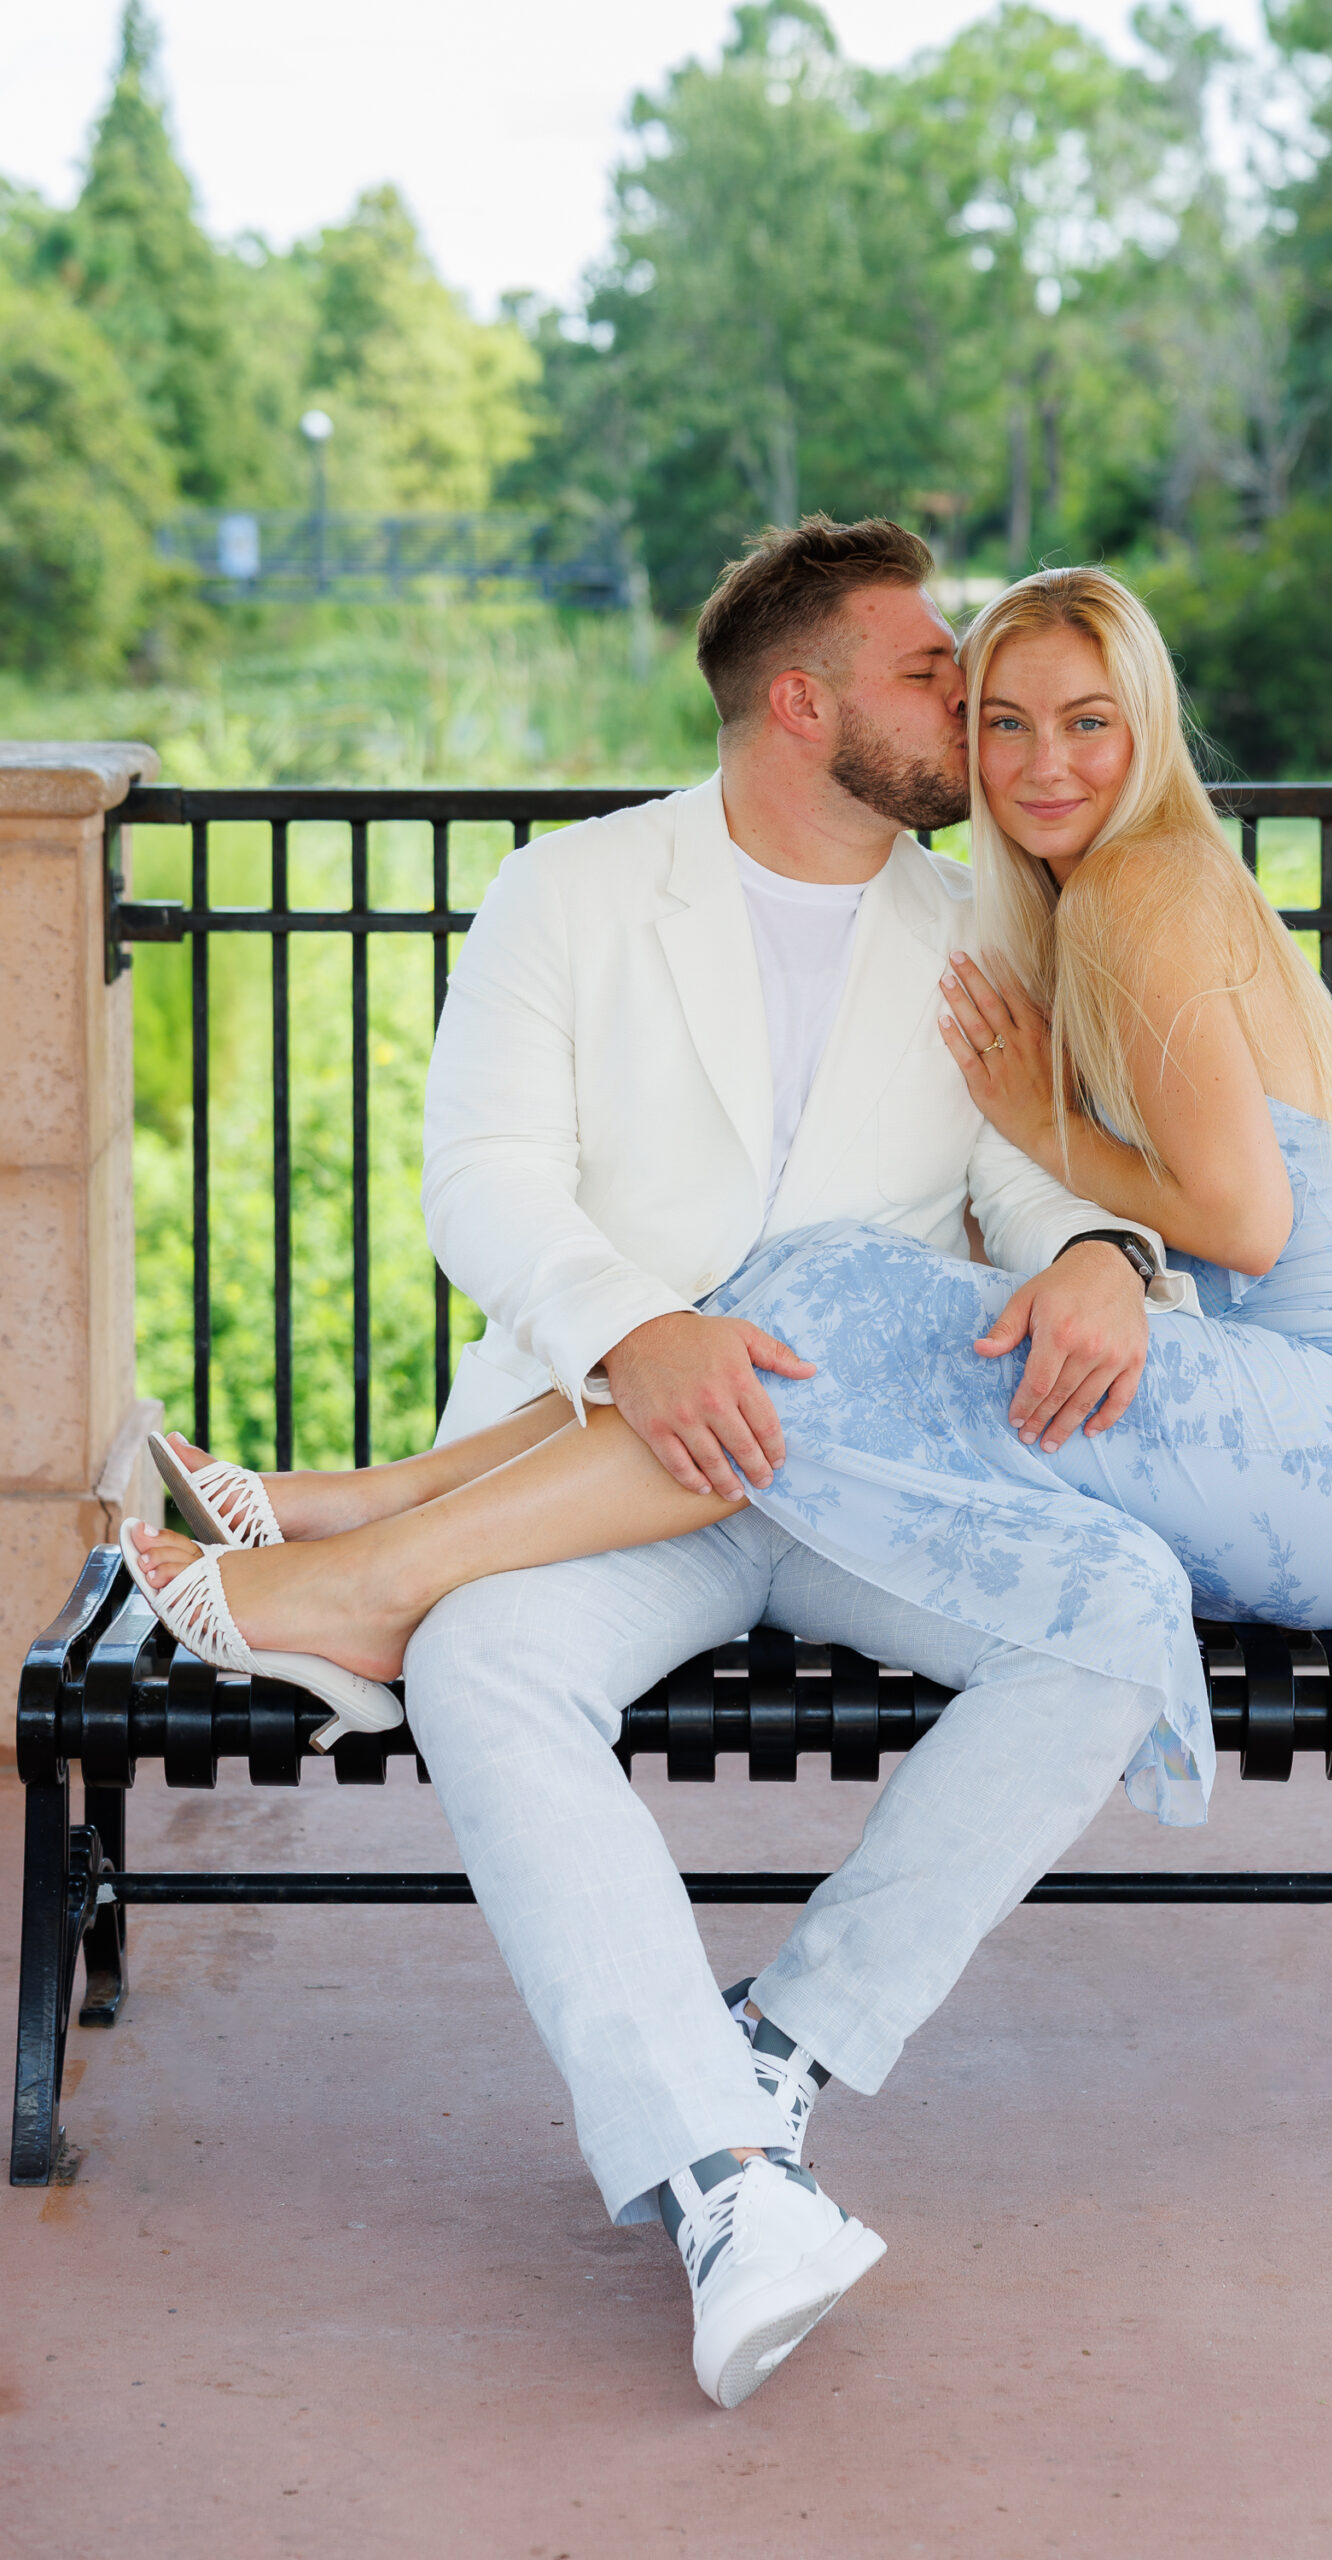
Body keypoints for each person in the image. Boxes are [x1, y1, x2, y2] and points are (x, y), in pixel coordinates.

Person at [125, 519, 1211, 2414]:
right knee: (486, 1661)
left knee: (1122, 1618)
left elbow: (1033, 1171)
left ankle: (778, 2049)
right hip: (613, 1456)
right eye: (923, 674)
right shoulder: (570, 893)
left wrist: (1104, 1260)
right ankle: (720, 2181)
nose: (961, 704)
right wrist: (636, 1326)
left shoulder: (972, 921)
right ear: (803, 703)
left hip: (854, 1478)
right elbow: (486, 1180)